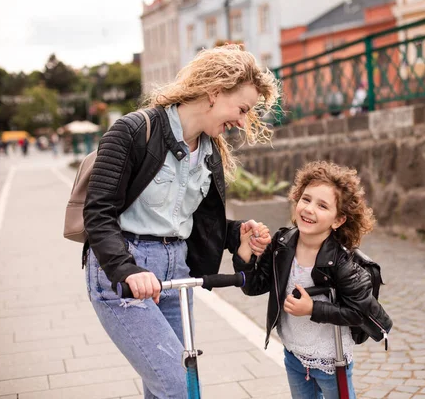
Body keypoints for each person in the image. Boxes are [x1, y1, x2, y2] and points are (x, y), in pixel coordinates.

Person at [83, 44, 279, 399]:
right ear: (215, 92)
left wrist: (237, 235)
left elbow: (185, 220)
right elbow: (98, 213)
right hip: (125, 272)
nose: (242, 121)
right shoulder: (133, 131)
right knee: (179, 386)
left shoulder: (209, 151)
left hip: (176, 270)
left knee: (163, 388)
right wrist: (127, 271)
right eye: (243, 108)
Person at [234, 161, 393, 399]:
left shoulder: (342, 263)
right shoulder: (282, 243)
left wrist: (313, 308)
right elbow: (255, 285)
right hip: (293, 355)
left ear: (338, 219)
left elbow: (359, 314)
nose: (309, 209)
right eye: (306, 199)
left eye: (322, 205)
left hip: (332, 360)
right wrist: (245, 253)